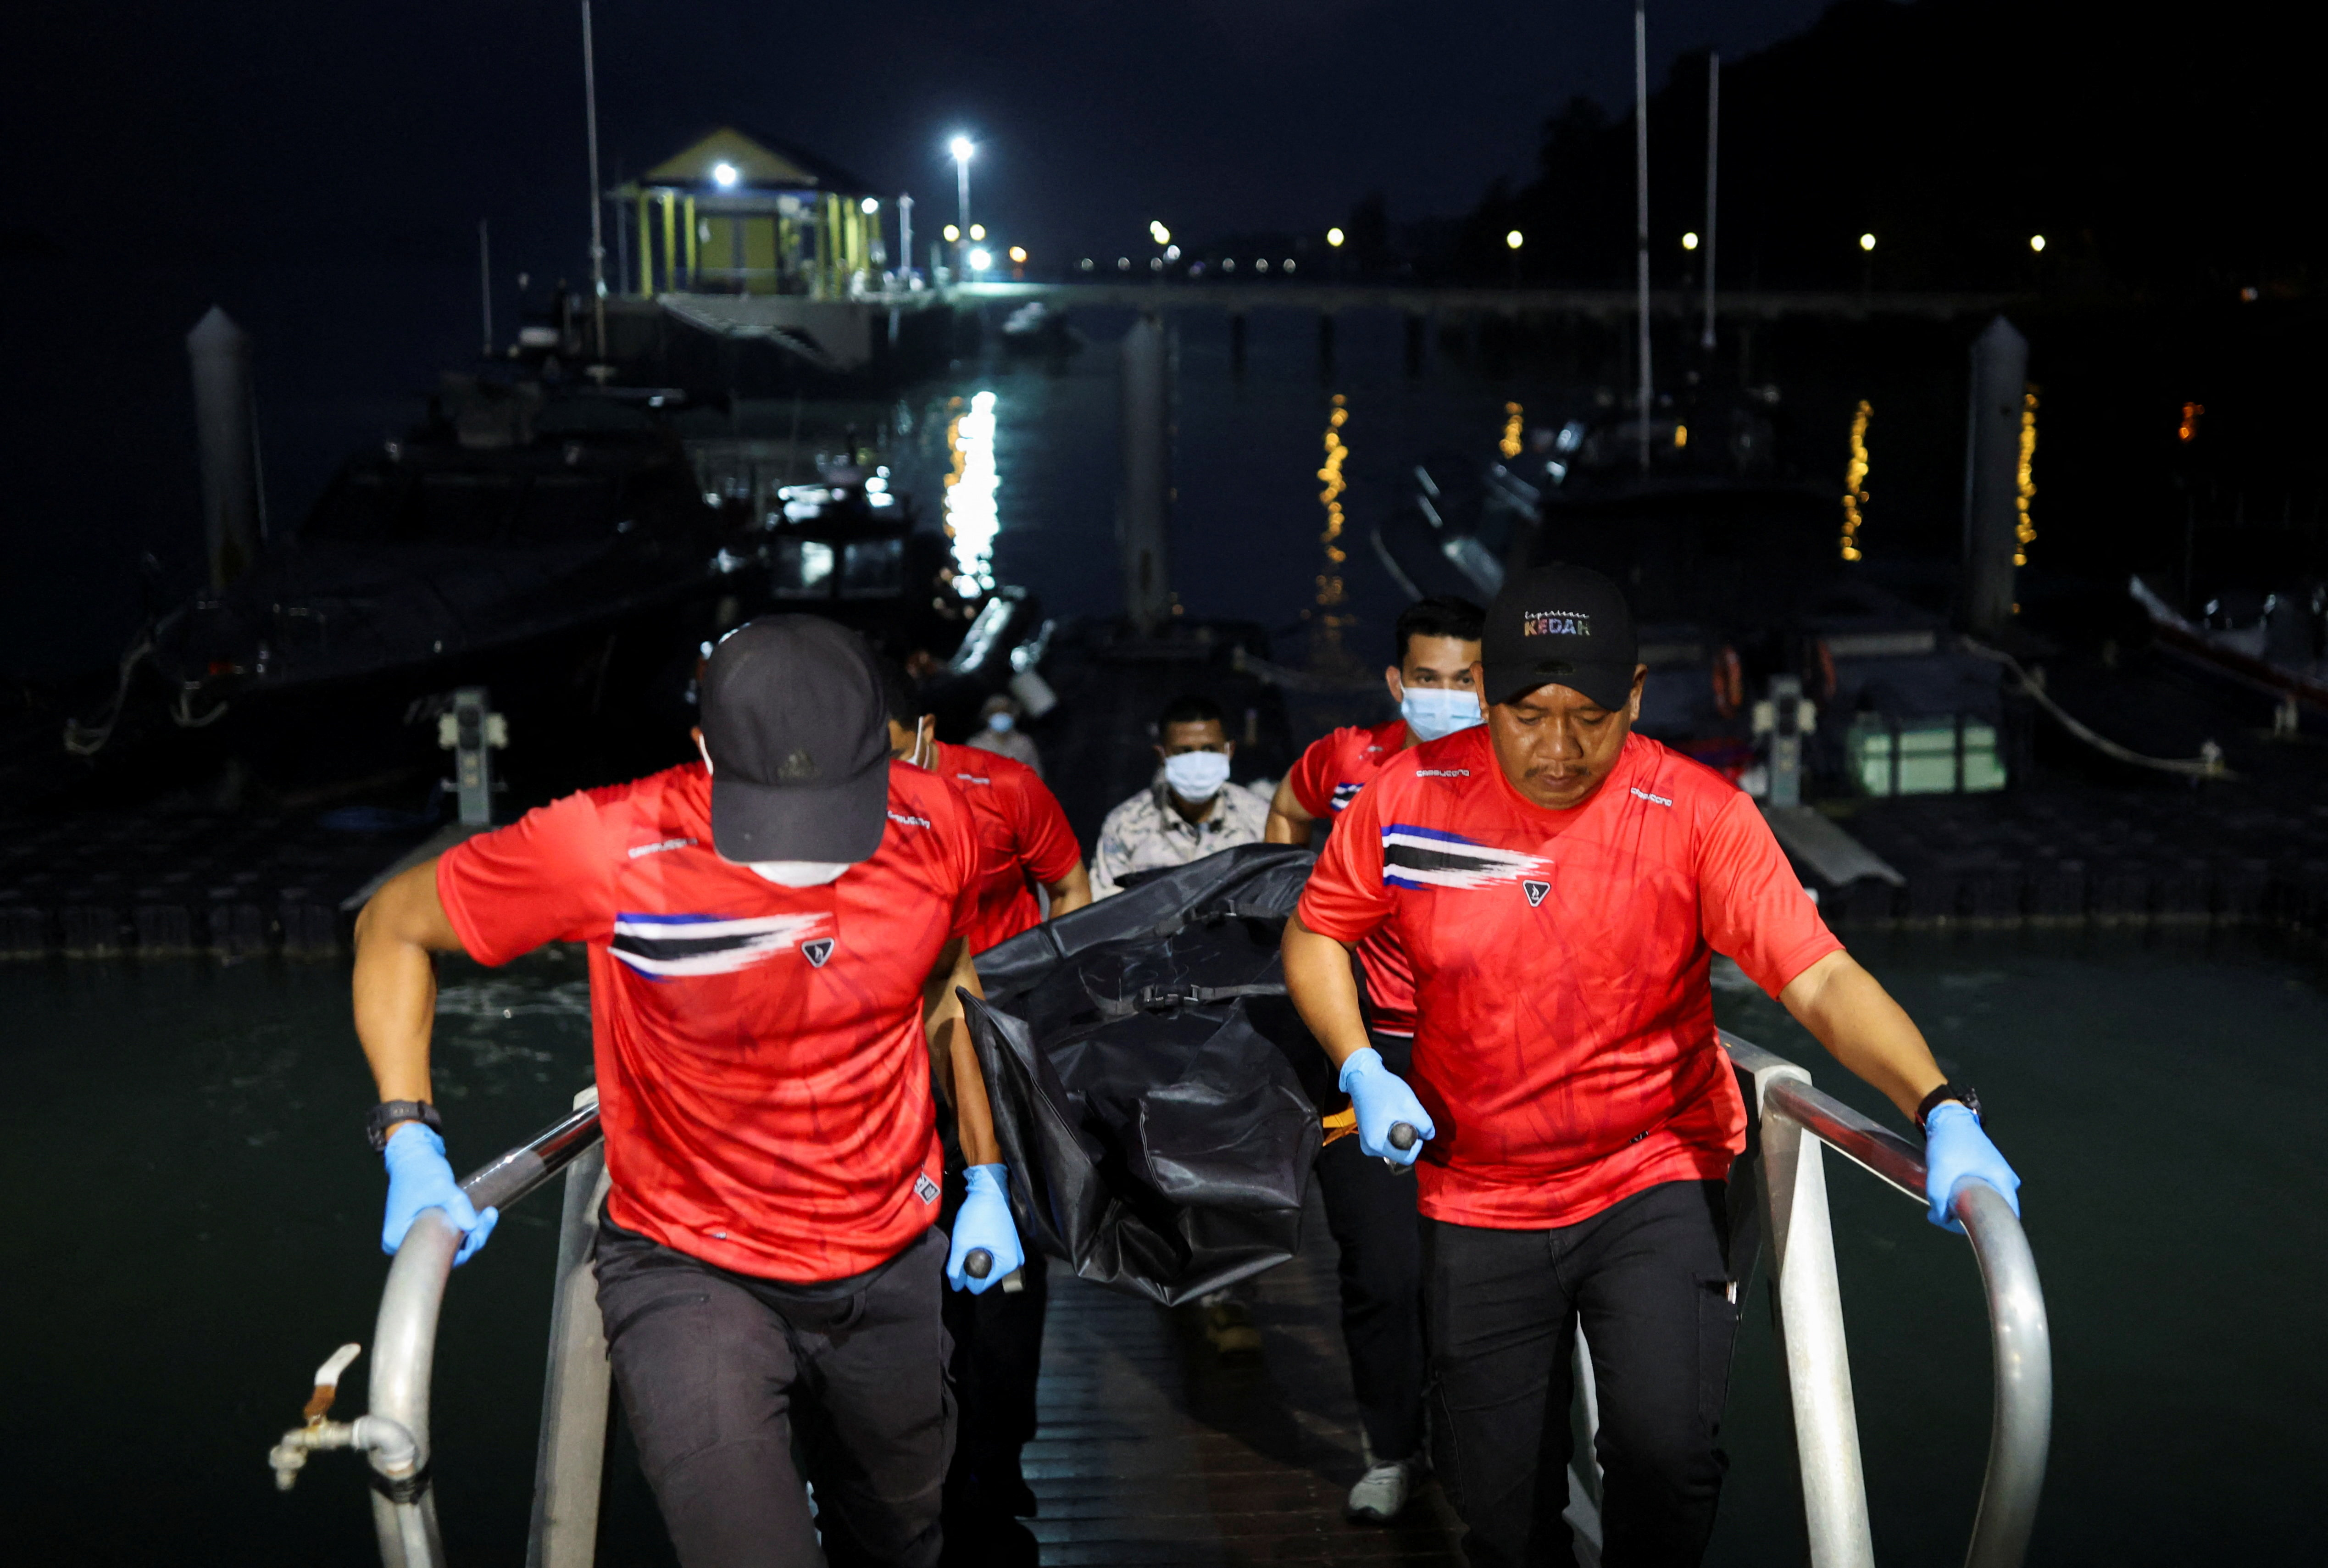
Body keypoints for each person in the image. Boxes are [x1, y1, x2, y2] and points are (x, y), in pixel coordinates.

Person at [1283, 565, 2022, 1568]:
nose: (1555, 749)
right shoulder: (1405, 799)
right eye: (1525, 715)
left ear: (1634, 695)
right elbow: (1317, 930)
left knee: (1664, 1456)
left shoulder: (1694, 811)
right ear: (1482, 697)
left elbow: (1815, 977)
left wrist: (1937, 1106)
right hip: (1474, 1192)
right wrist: (1360, 1063)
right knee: (1495, 1508)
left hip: (1650, 1171)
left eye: (1588, 716)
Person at [351, 617, 1027, 1568]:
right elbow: (393, 924)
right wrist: (409, 1135)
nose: (813, 858)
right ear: (703, 751)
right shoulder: (608, 844)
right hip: (691, 1265)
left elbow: (954, 977)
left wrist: (984, 1176)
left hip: (891, 1256)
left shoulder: (942, 821)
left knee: (904, 1541)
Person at [1261, 593, 1483, 1525]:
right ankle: (1389, 1447)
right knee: (1378, 1263)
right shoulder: (1351, 758)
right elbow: (1283, 802)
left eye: (1462, 680)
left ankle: (1476, 1445)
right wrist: (1273, 905)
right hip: (1365, 1051)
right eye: (1424, 679)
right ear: (1398, 681)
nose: (1441, 695)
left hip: (1481, 1050)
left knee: (1475, 1266)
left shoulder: (1525, 770)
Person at [878, 661, 1086, 1550]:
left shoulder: (1002, 788)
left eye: (887, 753)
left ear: (922, 731)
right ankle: (922, 1461)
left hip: (998, 1060)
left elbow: (1069, 885)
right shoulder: (839, 820)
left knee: (1007, 1277)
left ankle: (996, 1461)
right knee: (910, 1275)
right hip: (894, 1080)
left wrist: (1050, 1001)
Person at [1090, 692, 1268, 899]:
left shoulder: (1260, 819)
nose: (1198, 761)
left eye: (1210, 749)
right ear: (1162, 756)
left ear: (1229, 751)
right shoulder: (1125, 824)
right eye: (1184, 751)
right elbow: (1106, 909)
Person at [965, 693, 1045, 778]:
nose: (1000, 715)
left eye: (1005, 711)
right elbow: (971, 776)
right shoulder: (976, 745)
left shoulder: (1025, 743)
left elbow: (1037, 774)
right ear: (987, 716)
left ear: (1013, 715)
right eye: (995, 712)